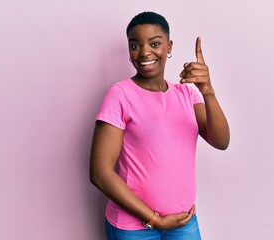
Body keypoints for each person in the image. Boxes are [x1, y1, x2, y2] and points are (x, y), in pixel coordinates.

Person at [90, 11, 230, 240]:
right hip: (133, 228)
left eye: (155, 43)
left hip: (183, 223)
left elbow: (221, 141)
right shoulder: (120, 95)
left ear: (169, 46)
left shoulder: (187, 93)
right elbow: (100, 173)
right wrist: (154, 219)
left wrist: (208, 91)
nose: (145, 52)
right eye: (135, 45)